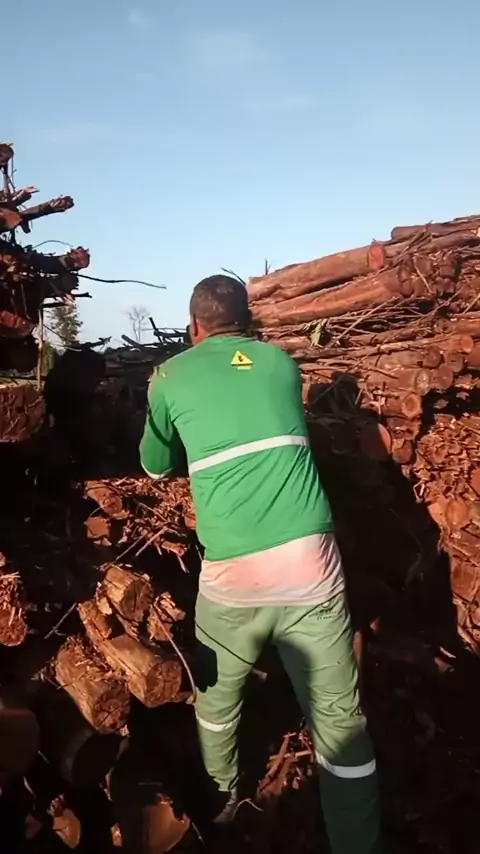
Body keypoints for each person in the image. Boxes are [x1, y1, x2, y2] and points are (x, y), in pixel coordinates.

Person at [139, 275, 382, 854]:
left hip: (234, 577)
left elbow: (154, 465)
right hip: (312, 566)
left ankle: (223, 797)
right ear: (248, 321)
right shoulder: (280, 364)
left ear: (193, 327)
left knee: (218, 702)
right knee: (340, 722)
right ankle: (358, 842)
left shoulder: (168, 376)